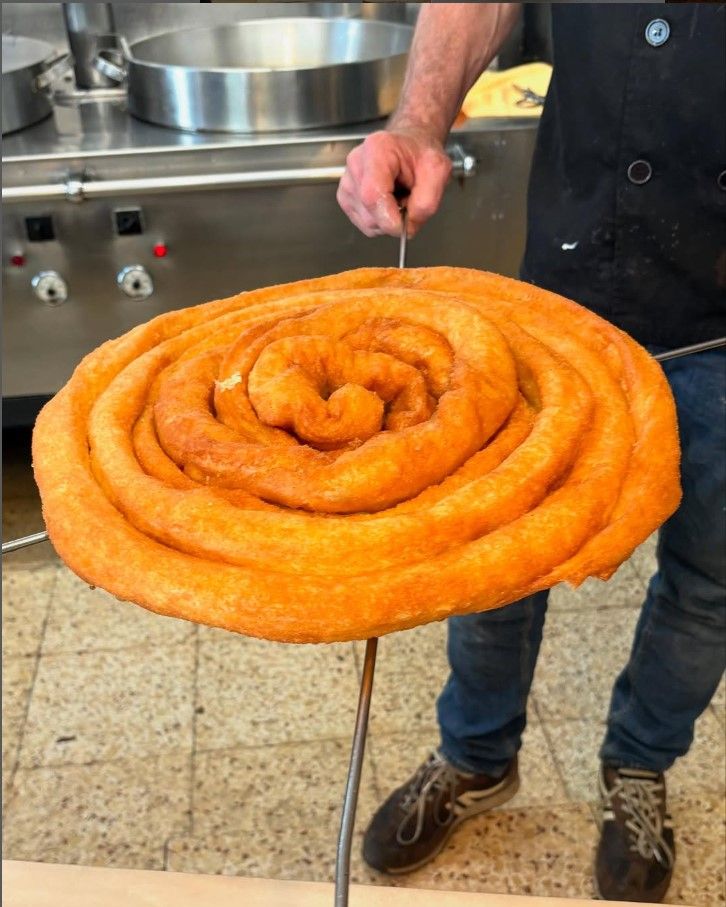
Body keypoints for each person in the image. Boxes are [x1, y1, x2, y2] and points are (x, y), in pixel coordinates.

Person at [337, 4, 726, 902]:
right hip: (572, 281)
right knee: (494, 556)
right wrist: (417, 122)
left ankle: (640, 764)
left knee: (711, 579)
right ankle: (476, 755)